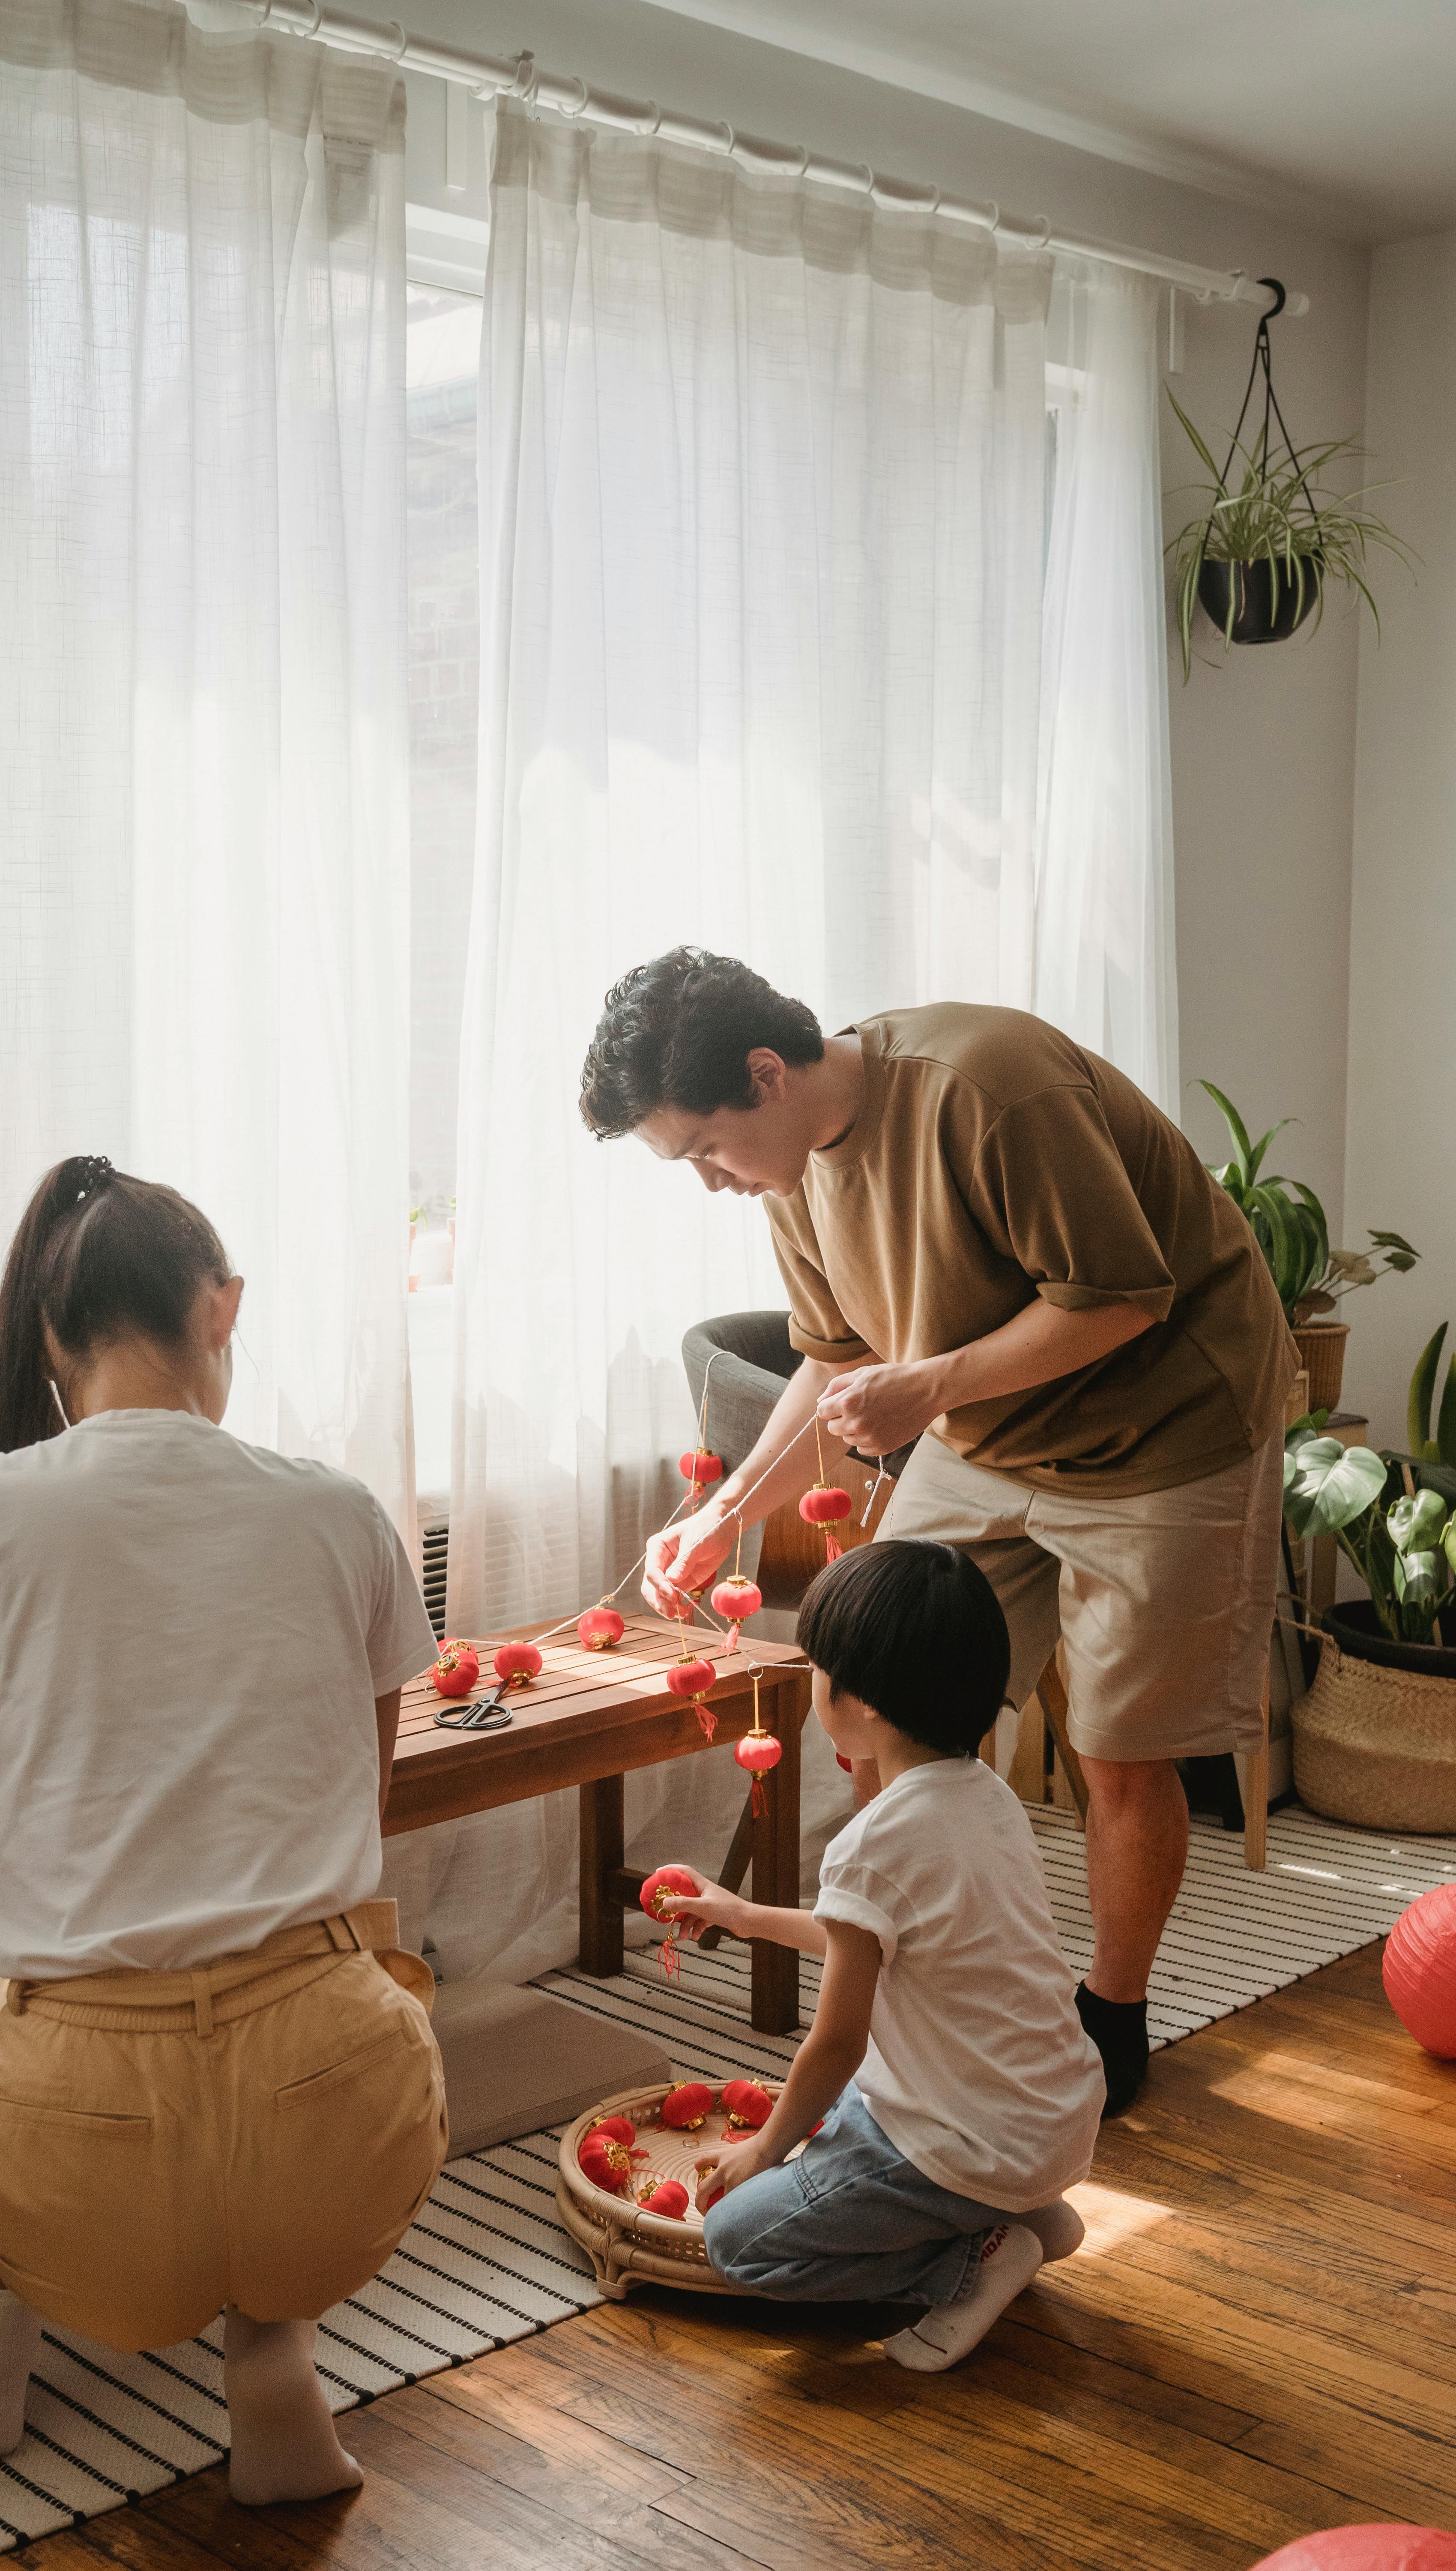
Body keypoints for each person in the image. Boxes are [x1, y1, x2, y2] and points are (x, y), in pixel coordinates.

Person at [0, 1155, 444, 2497]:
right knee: (296, 1956)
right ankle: (274, 2350)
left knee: (25, 1995)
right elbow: (347, 1819)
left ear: (49, 1340)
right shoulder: (341, 1513)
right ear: (224, 1310)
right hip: (342, 2136)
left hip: (88, 2170)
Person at [580, 950, 1294, 2116]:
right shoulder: (791, 1176)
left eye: (705, 1148)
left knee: (1118, 1749)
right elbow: (837, 1358)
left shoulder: (988, 1085)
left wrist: (929, 1390)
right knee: (883, 1697)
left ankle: (1111, 2023)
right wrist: (724, 1513)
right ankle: (908, 1979)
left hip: (1167, 1428)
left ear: (766, 1073)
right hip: (983, 1431)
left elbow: (1124, 1295)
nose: (709, 1181)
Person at [662, 1540, 1104, 2365]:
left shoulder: (875, 1841)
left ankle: (968, 2257)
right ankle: (1025, 2209)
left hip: (972, 2138)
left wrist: (767, 2151)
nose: (813, 1683)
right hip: (1052, 2117)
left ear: (863, 1705)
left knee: (738, 2242)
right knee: (855, 2108)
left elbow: (838, 2042)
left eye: (819, 1668)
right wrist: (746, 1914)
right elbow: (881, 1940)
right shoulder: (988, 1799)